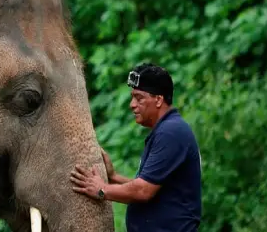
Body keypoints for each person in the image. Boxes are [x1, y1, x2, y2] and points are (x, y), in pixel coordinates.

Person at [70, 63, 202, 232]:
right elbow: (155, 189)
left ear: (159, 100)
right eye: (132, 97)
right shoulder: (167, 130)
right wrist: (114, 177)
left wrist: (101, 190)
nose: (132, 104)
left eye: (139, 98)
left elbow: (143, 191)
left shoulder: (170, 132)